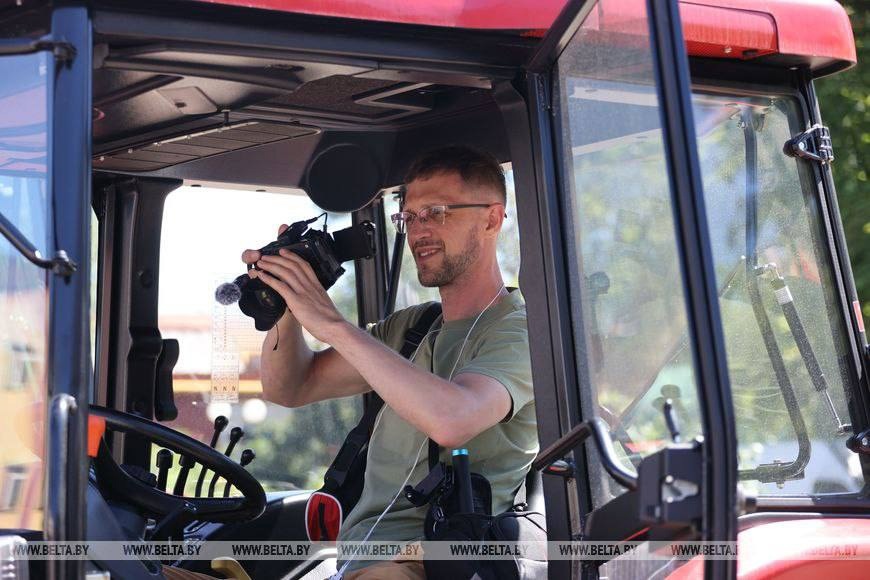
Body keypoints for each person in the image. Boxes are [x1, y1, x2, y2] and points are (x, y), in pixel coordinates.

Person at [243, 145, 538, 579]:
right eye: (409, 217)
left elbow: (454, 420)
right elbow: (290, 387)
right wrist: (285, 298)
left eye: (436, 213)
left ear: (492, 219)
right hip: (355, 559)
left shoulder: (520, 331)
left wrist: (332, 324)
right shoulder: (412, 328)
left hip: (431, 561)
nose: (418, 231)